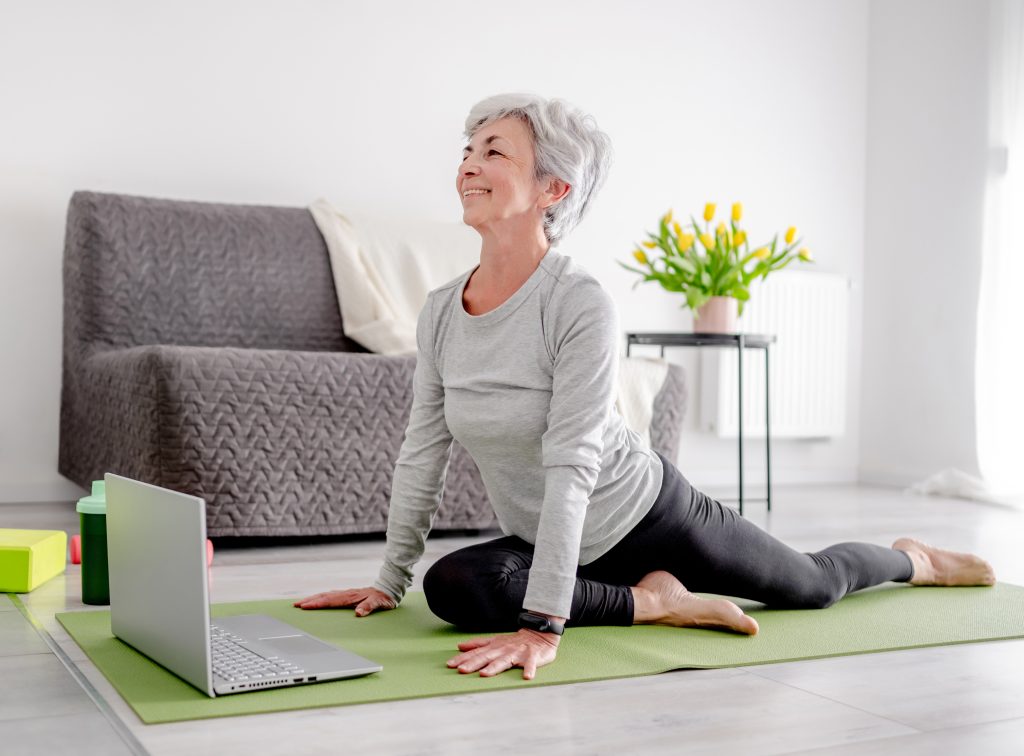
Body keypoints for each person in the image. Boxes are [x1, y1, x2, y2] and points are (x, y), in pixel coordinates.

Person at [296, 93, 996, 681]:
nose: (469, 165)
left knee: (811, 586)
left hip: (647, 513)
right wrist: (389, 580)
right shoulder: (443, 311)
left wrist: (543, 626)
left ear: (552, 189)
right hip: (550, 539)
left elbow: (573, 464)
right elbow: (423, 449)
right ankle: (655, 603)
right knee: (453, 587)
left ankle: (914, 559)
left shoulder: (576, 301)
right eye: (468, 150)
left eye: (494, 151)